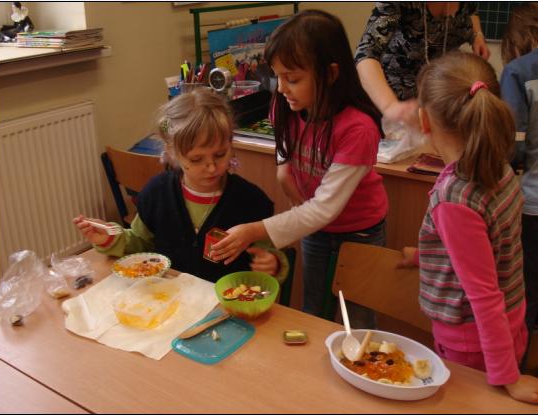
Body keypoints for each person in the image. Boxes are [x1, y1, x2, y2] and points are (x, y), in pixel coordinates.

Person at [210, 10, 388, 324]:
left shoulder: (358, 129)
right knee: (313, 310)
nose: (281, 88)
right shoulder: (286, 104)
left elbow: (324, 208)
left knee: (357, 319)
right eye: (277, 76)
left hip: (359, 230)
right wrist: (283, 167)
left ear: (330, 74)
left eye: (292, 79)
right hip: (315, 226)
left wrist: (255, 230)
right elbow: (285, 145)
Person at [399, 51, 538, 404]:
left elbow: (483, 295)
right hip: (509, 326)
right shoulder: (499, 168)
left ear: (424, 120)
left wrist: (508, 378)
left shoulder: (455, 199)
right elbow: (490, 250)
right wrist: (426, 256)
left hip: (473, 345)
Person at [73, 88, 288, 284]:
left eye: (220, 154)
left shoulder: (250, 200)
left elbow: (267, 252)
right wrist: (110, 238)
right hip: (169, 300)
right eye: (196, 159)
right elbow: (139, 243)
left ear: (230, 144)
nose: (211, 167)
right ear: (172, 152)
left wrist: (273, 263)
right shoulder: (157, 193)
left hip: (226, 304)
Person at [354, 2, 490, 130]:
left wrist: (477, 36)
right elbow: (365, 55)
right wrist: (391, 107)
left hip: (438, 99)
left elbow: (472, 12)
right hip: (394, 102)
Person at [499, 3, 538, 373]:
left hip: (531, 205)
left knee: (525, 296)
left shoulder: (519, 71)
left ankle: (516, 373)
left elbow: (513, 148)